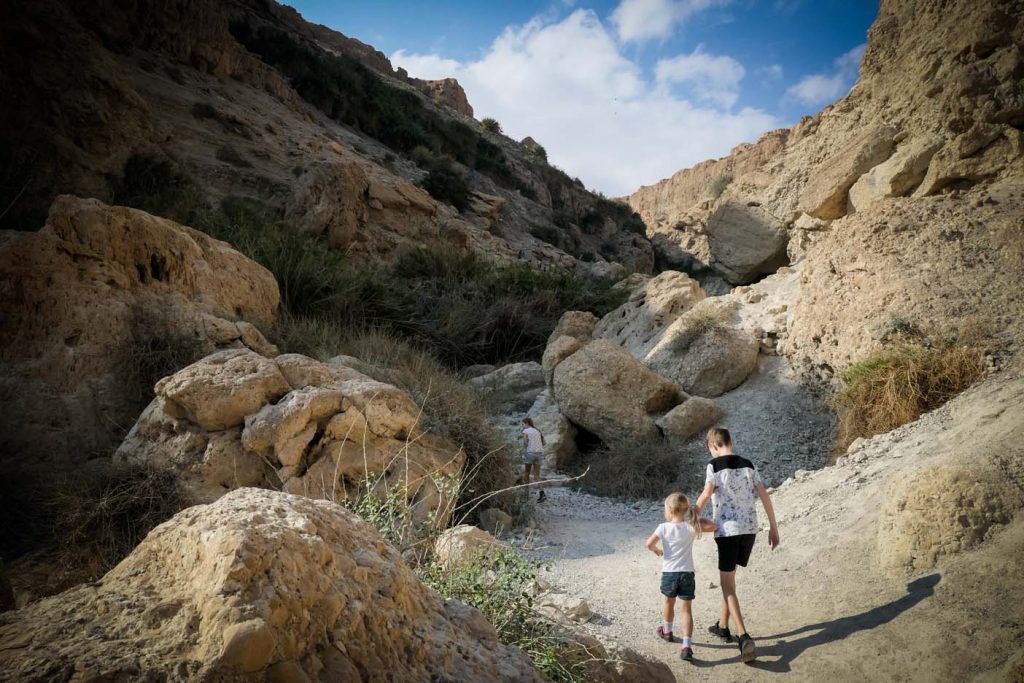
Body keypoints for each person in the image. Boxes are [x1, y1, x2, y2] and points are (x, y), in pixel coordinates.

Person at [696, 426, 779, 663]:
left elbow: (705, 494)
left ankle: (743, 637)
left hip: (727, 532)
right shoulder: (748, 464)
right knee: (730, 578)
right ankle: (723, 626)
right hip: (750, 530)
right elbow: (764, 495)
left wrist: (690, 516)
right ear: (729, 441)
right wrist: (773, 527)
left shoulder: (714, 466)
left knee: (727, 586)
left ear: (712, 446)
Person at [645, 492, 717, 662]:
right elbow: (713, 526)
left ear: (669, 509)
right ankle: (686, 645)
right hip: (687, 573)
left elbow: (649, 544)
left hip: (670, 573)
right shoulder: (691, 527)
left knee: (669, 603)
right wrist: (697, 517)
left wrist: (657, 551)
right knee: (686, 609)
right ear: (684, 510)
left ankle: (667, 631)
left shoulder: (663, 527)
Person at [521, 417, 546, 502]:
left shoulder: (526, 431)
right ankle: (542, 494)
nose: (523, 426)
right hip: (539, 454)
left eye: (523, 424)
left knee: (526, 473)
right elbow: (544, 443)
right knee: (537, 475)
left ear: (527, 423)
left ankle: (525, 494)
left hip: (530, 453)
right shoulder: (537, 431)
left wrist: (528, 447)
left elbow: (525, 442)